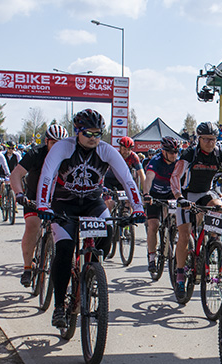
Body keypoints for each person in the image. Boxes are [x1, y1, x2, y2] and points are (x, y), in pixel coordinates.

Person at [36, 109, 145, 329]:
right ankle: (59, 306)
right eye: (88, 134)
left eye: (98, 133)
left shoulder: (106, 150)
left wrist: (138, 208)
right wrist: (43, 204)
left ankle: (92, 273)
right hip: (63, 204)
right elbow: (47, 175)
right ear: (77, 132)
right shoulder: (63, 147)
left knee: (107, 232)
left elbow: (127, 179)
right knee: (65, 249)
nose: (94, 138)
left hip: (92, 203)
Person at [170, 121, 222, 302]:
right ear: (199, 139)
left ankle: (214, 243)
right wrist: (179, 197)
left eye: (214, 139)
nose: (211, 143)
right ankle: (179, 277)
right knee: (185, 235)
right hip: (187, 194)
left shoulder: (219, 154)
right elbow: (175, 176)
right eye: (207, 139)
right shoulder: (190, 153)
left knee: (218, 207)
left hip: (206, 192)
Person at [10, 124, 69, 287]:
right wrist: (19, 194)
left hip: (58, 198)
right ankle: (28, 268)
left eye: (61, 144)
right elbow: (15, 175)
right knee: (32, 226)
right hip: (34, 197)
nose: (58, 147)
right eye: (53, 143)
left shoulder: (69, 156)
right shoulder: (35, 153)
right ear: (46, 142)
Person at [143, 136, 180, 273]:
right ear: (163, 152)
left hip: (171, 193)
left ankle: (170, 235)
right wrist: (146, 194)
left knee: (177, 217)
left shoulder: (178, 161)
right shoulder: (156, 161)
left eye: (176, 152)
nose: (174, 155)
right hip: (155, 195)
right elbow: (149, 178)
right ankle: (152, 257)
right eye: (171, 152)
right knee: (154, 225)